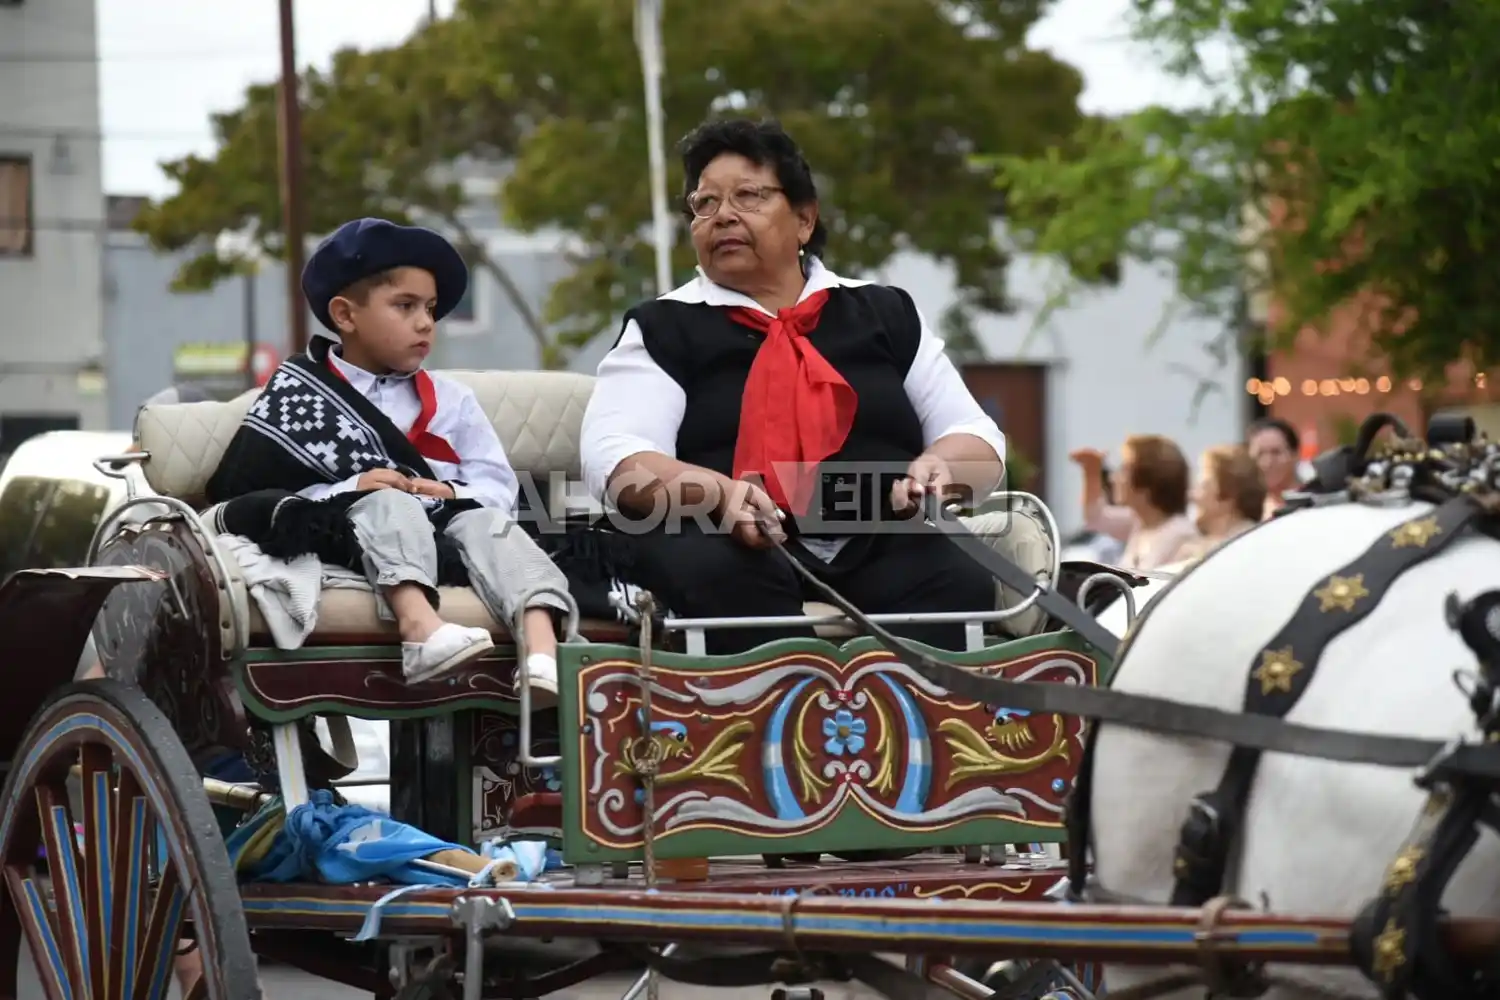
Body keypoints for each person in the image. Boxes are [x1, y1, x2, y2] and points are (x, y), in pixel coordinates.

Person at [579, 118, 1006, 655]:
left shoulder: (885, 313)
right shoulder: (664, 326)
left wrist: (940, 469)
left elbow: (976, 436)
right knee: (719, 575)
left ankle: (906, 712)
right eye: (705, 203)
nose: (723, 215)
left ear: (805, 219)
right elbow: (616, 457)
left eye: (748, 196)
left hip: (880, 533)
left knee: (955, 578)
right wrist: (717, 494)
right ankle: (785, 710)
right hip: (731, 538)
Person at [203, 217, 571, 687]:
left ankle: (542, 654)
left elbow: (498, 487)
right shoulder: (298, 394)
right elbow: (262, 496)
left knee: (492, 526)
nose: (425, 322)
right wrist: (353, 487)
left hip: (450, 529)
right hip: (350, 533)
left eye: (431, 308)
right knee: (389, 502)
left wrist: (451, 492)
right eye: (405, 305)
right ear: (345, 316)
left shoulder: (452, 400)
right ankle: (420, 628)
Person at [1070, 435, 1198, 571]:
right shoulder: (1139, 521)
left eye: (1124, 470)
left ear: (1146, 486)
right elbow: (1095, 518)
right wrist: (1091, 471)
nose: (1114, 478)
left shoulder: (1182, 537)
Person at [1178, 444, 1265, 560]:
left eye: (1203, 486)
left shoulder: (1249, 546)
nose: (1192, 497)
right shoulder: (1191, 548)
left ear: (1227, 498)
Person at [1246, 417, 1300, 517]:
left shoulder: (1313, 504)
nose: (1268, 462)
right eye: (1260, 454)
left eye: (1276, 452)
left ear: (1295, 455)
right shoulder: (1248, 511)